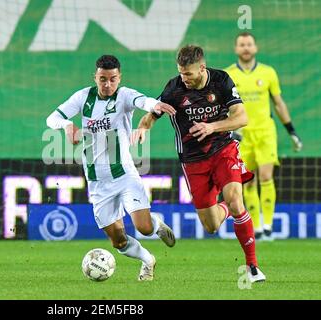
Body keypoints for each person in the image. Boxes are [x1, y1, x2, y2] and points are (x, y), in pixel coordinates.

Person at [133, 45, 266, 283]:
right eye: (181, 73)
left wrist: (212, 126)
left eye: (189, 74)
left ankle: (252, 267)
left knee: (237, 201)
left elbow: (242, 117)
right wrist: (143, 128)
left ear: (202, 68)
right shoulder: (174, 89)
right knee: (212, 225)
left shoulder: (221, 81)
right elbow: (153, 114)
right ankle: (228, 206)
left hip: (223, 149)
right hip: (193, 160)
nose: (185, 78)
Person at [46, 55, 176, 281]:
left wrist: (155, 105)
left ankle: (156, 225)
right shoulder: (83, 97)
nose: (107, 85)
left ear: (119, 78)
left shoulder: (124, 95)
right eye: (103, 79)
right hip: (98, 183)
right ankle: (148, 260)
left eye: (112, 79)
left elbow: (142, 101)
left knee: (144, 228)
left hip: (124, 176)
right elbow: (52, 118)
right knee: (118, 241)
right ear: (95, 77)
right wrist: (67, 124)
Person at [225, 32, 303, 241]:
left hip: (266, 132)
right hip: (243, 135)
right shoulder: (228, 75)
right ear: (236, 49)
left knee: (267, 176)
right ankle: (257, 226)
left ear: (255, 48)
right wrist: (228, 130)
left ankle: (268, 224)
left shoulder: (268, 73)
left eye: (249, 44)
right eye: (242, 45)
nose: (246, 48)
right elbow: (221, 107)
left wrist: (291, 131)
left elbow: (278, 103)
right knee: (248, 181)